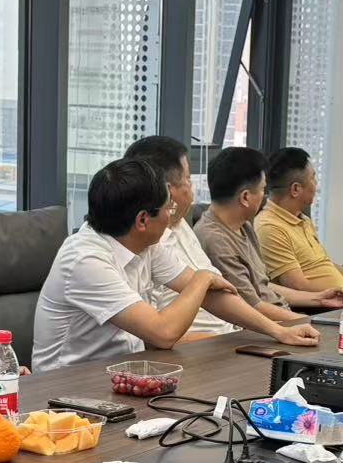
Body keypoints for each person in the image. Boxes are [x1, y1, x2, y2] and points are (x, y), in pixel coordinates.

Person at [33, 158, 319, 370]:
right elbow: (164, 333)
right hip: (67, 387)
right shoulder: (86, 260)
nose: (172, 216)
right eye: (168, 208)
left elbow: (211, 294)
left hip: (123, 371)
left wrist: (279, 331)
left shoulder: (145, 244)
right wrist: (202, 278)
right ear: (142, 220)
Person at [195, 147, 343, 315]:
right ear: (245, 197)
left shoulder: (244, 226)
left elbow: (263, 287)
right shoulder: (215, 240)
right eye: (262, 190)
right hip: (266, 324)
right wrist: (305, 321)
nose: (265, 197)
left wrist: (319, 298)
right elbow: (251, 308)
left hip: (281, 316)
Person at [122, 135, 235, 337]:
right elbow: (151, 336)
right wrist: (227, 342)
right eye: (188, 179)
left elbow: (211, 293)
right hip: (195, 346)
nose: (192, 188)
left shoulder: (180, 225)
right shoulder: (147, 243)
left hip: (226, 337)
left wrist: (275, 331)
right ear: (166, 190)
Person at [255, 147, 343, 300]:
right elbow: (298, 286)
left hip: (342, 300)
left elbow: (326, 265)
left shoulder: (303, 220)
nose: (316, 184)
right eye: (313, 178)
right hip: (321, 307)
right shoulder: (270, 228)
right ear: (295, 189)